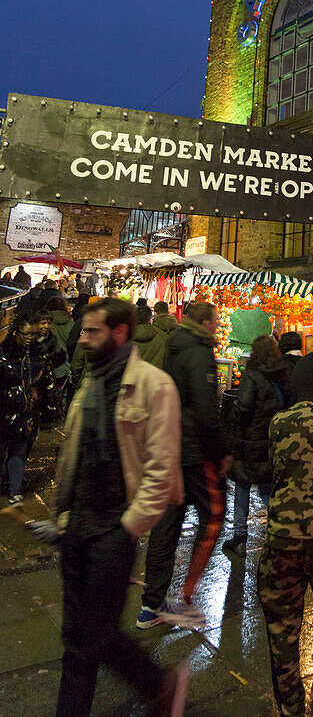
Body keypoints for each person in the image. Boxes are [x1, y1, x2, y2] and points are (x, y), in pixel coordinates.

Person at [51, 297, 188, 716]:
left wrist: (127, 528)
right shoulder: (93, 380)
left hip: (114, 528)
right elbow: (75, 452)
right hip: (78, 524)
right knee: (84, 634)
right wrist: (60, 513)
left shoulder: (153, 385)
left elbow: (162, 469)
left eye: (92, 331)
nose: (84, 338)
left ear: (120, 332)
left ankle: (159, 684)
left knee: (86, 640)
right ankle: (158, 685)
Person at [257, 353, 313, 717]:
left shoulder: (278, 422)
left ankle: (291, 708)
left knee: (281, 632)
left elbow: (275, 468)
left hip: (282, 540)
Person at [137, 300, 229, 628]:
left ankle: (151, 604)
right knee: (215, 515)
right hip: (193, 450)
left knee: (168, 522)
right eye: (215, 322)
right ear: (206, 324)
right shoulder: (200, 352)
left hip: (170, 444)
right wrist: (219, 453)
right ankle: (188, 592)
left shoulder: (173, 345)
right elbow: (206, 413)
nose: (217, 327)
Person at [223, 334, 293, 556]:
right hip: (270, 440)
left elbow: (242, 407)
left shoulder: (252, 375)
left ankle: (240, 537)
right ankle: (280, 528)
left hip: (248, 440)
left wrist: (232, 422)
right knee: (266, 487)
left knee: (242, 486)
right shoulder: (282, 374)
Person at [0, 317, 55, 503]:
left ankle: (14, 489)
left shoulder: (39, 354)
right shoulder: (3, 355)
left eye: (33, 334)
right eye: (26, 334)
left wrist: (50, 407)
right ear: (16, 333)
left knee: (20, 450)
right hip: (4, 412)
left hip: (29, 413)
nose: (30, 338)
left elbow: (48, 382)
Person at [133, 303, 167, 369]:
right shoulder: (161, 337)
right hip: (155, 377)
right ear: (150, 319)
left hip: (133, 377)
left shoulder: (127, 339)